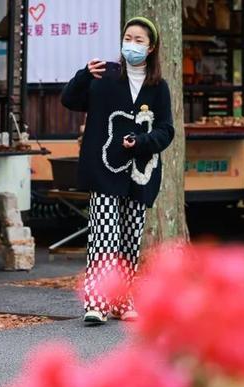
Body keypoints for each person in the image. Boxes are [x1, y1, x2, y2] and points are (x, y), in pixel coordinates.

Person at [61, 17, 174, 325]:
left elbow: (166, 131)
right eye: (128, 37)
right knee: (104, 236)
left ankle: (123, 302)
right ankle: (96, 304)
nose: (132, 44)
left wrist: (141, 141)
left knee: (129, 238)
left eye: (139, 40)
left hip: (141, 174)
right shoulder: (106, 76)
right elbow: (70, 100)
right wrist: (84, 75)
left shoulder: (158, 87)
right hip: (105, 170)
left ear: (150, 48)